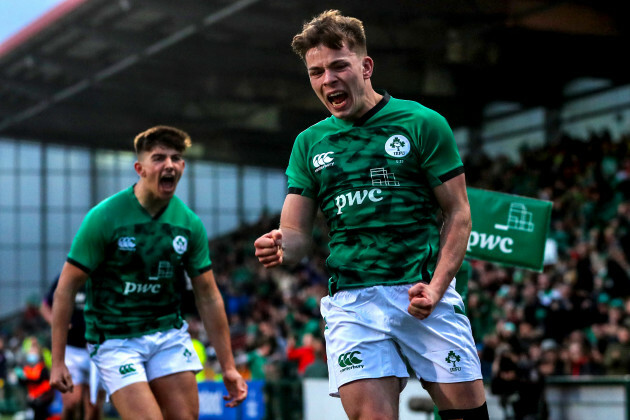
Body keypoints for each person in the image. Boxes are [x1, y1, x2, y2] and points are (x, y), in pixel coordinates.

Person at [254, 10, 487, 420]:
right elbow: (295, 233)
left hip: (421, 292)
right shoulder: (309, 143)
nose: (328, 80)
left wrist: (435, 288)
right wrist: (279, 245)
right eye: (316, 72)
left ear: (365, 66)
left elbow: (459, 213)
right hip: (353, 301)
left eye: (339, 65)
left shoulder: (422, 123)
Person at [50, 125, 248, 420]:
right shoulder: (104, 217)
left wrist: (229, 367)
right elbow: (65, 288)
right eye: (158, 158)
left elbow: (208, 296)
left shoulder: (188, 223)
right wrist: (57, 361)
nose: (169, 165)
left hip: (167, 335)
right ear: (139, 168)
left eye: (176, 158)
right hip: (116, 339)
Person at [41, 276, 106, 420]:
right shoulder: (66, 277)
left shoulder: (104, 276)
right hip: (71, 349)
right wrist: (56, 322)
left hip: (98, 351)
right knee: (71, 403)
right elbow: (45, 305)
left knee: (94, 408)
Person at [15, 337, 55, 420]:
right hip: (33, 397)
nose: (32, 353)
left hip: (43, 396)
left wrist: (26, 377)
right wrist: (20, 377)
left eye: (34, 349)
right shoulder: (26, 367)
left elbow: (39, 379)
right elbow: (23, 382)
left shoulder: (42, 366)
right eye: (31, 350)